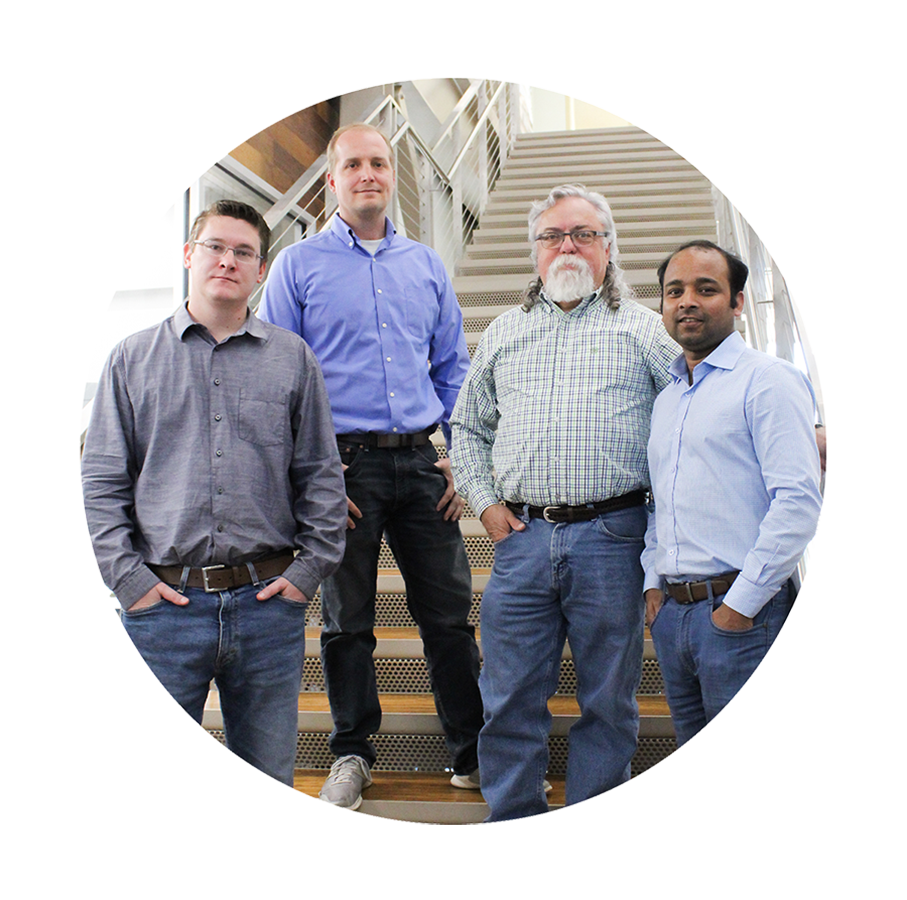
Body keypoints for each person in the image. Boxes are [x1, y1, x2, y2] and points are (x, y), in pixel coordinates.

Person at [81, 199, 348, 787]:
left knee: (267, 777)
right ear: (187, 256)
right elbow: (101, 481)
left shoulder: (292, 359)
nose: (228, 260)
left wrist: (307, 574)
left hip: (267, 610)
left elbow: (321, 474)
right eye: (215, 247)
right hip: (163, 610)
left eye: (244, 252)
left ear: (260, 270)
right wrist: (130, 582)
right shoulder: (131, 358)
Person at [257, 123, 483, 809]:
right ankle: (352, 751)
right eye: (352, 163)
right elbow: (277, 380)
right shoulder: (297, 266)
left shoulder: (425, 265)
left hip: (420, 464)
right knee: (346, 621)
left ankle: (471, 750)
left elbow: (453, 371)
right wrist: (312, 478)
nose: (367, 174)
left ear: (390, 175)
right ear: (332, 180)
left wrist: (461, 464)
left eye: (378, 163)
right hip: (340, 468)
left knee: (446, 618)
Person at [450, 183, 680, 821]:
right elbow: (467, 427)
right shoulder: (504, 330)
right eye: (552, 236)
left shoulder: (645, 330)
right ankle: (515, 810)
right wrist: (486, 503)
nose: (567, 246)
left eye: (583, 234)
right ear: (535, 251)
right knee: (508, 694)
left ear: (609, 246)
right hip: (521, 539)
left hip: (615, 536)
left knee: (609, 698)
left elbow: (698, 412)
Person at [642, 240, 822, 746]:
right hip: (675, 619)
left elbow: (798, 503)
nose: (686, 302)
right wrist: (653, 586)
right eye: (674, 291)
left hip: (742, 618)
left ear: (738, 302)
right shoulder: (668, 400)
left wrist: (739, 607)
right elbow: (660, 504)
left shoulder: (769, 381)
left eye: (706, 289)